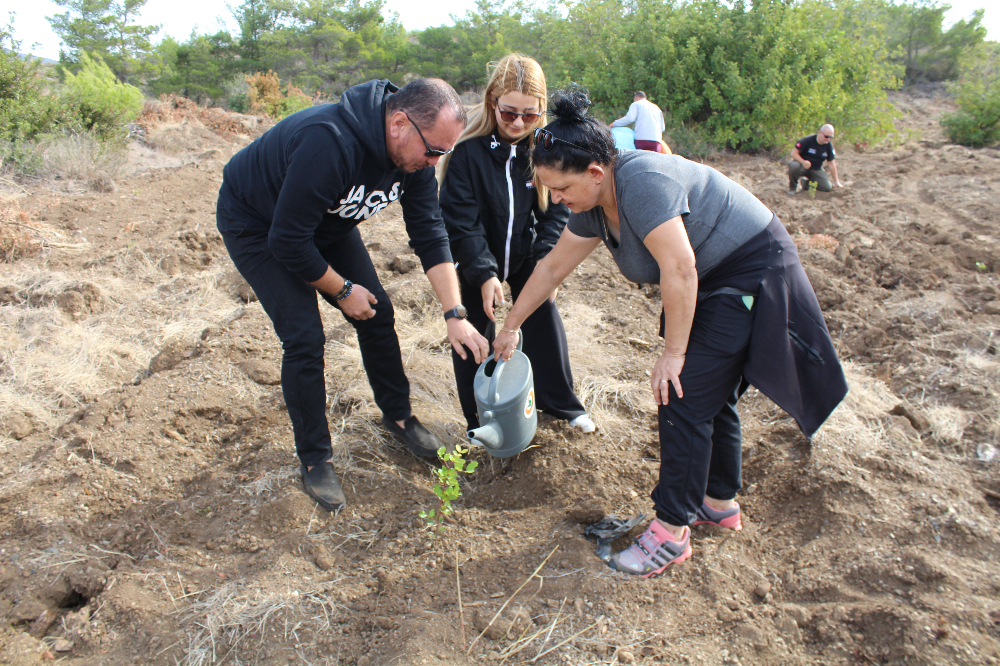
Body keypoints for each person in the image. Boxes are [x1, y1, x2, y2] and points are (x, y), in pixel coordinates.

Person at [493, 89, 848, 578]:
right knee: (707, 393)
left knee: (680, 393)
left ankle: (670, 534)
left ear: (595, 172)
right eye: (550, 190)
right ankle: (717, 504)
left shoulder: (640, 181)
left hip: (747, 269)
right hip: (712, 275)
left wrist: (673, 352)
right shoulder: (594, 203)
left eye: (561, 189)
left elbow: (680, 269)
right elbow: (552, 266)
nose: (557, 200)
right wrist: (511, 325)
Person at [216, 78, 490, 513]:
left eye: (444, 152)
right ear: (399, 123)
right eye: (433, 151)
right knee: (304, 336)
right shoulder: (330, 142)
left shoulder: (416, 160)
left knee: (377, 313)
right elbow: (287, 240)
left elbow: (430, 232)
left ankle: (399, 416)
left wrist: (454, 312)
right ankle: (315, 458)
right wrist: (342, 290)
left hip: (323, 225)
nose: (435, 161)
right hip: (259, 224)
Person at [438, 54, 594, 434]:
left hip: (525, 254)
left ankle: (561, 406)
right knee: (474, 338)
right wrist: (485, 273)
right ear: (493, 102)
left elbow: (558, 211)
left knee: (544, 321)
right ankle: (481, 421)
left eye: (530, 115)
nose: (519, 123)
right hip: (475, 258)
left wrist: (546, 263)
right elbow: (461, 222)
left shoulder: (544, 149)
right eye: (509, 114)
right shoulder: (467, 154)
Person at [788, 124, 843, 194]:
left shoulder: (829, 146)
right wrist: (803, 162)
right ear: (820, 133)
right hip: (802, 165)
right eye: (826, 136)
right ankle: (792, 188)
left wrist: (836, 181)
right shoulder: (808, 140)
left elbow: (831, 164)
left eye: (830, 137)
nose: (828, 139)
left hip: (816, 168)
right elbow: (793, 153)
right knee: (794, 166)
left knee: (827, 187)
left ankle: (806, 184)